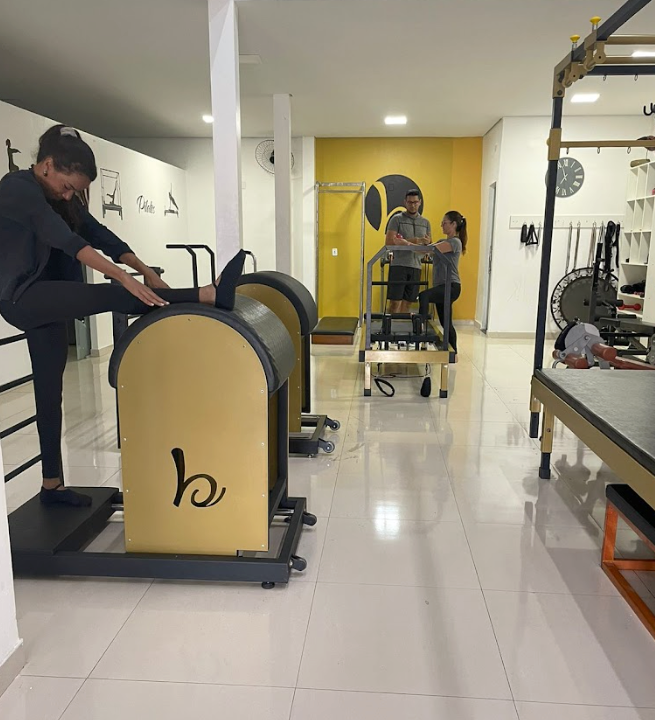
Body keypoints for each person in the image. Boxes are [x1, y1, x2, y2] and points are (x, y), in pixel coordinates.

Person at [0, 124, 245, 507]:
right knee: (113, 293)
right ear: (47, 165)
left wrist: (144, 271)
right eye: (67, 186)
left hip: (49, 298)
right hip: (21, 296)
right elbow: (64, 239)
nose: (69, 195)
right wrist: (123, 278)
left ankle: (52, 486)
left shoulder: (62, 199)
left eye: (75, 190)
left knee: (50, 394)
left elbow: (100, 235)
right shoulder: (17, 188)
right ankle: (207, 295)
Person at [418, 210, 466, 358]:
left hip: (451, 286)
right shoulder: (442, 241)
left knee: (424, 296)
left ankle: (420, 330)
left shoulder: (455, 242)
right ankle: (453, 353)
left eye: (444, 223)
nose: (442, 225)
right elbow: (428, 250)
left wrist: (410, 244)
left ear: (454, 224)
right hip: (442, 286)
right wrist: (424, 244)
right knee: (446, 322)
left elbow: (431, 250)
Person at [384, 190, 431, 314]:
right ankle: (391, 326)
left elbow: (428, 246)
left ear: (420, 202)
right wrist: (417, 240)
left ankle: (402, 326)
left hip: (416, 266)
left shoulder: (425, 223)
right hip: (399, 266)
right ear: (405, 202)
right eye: (410, 202)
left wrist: (424, 244)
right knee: (395, 303)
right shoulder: (396, 219)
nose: (413, 205)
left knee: (408, 303)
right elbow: (389, 242)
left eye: (415, 202)